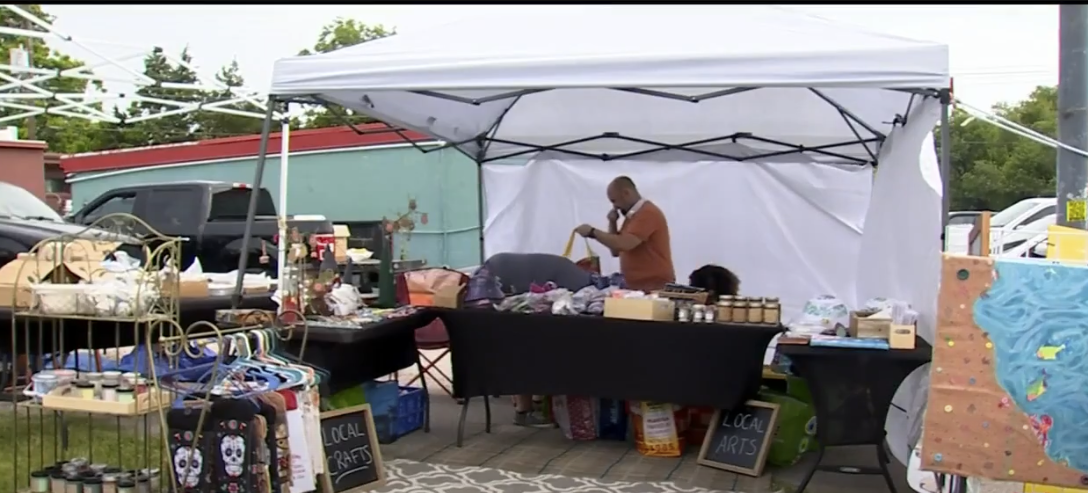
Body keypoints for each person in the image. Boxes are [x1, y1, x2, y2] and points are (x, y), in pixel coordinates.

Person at [473, 252, 594, 427]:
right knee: (526, 350)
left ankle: (534, 404)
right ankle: (524, 411)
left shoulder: (568, 271)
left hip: (498, 281)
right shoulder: (579, 283)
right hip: (501, 287)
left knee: (529, 346)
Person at [575, 176, 675, 292]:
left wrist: (593, 232)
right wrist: (612, 223)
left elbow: (624, 244)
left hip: (654, 285)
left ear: (626, 193)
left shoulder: (647, 213)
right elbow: (615, 251)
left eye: (614, 201)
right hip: (637, 285)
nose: (614, 206)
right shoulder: (632, 216)